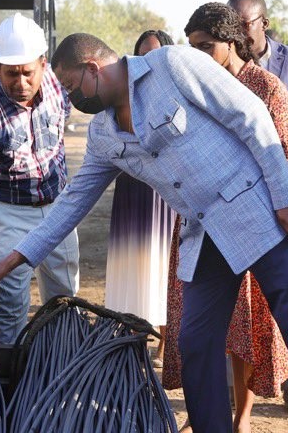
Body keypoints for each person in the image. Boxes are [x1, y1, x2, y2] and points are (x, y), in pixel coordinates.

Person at [0, 32, 288, 433]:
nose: (70, 98)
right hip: (204, 236)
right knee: (196, 346)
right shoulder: (103, 133)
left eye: (70, 85)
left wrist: (285, 194)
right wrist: (11, 260)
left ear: (93, 68)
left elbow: (250, 115)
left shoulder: (173, 66)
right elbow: (71, 204)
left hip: (260, 214)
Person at [160, 2, 288, 433]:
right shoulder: (191, 86)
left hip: (252, 224)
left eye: (206, 46)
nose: (197, 55)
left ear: (234, 43)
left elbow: (282, 157)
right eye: (192, 47)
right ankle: (207, 416)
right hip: (200, 222)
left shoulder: (268, 88)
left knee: (245, 326)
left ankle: (242, 417)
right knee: (200, 332)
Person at [0, 13, 79, 345]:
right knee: (9, 306)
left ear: (42, 64)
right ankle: (9, 378)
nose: (21, 83)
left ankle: (58, 361)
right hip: (9, 213)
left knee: (64, 297)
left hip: (58, 207)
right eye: (11, 74)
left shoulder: (57, 83)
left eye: (28, 73)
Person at [103, 29, 176, 366]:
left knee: (165, 264)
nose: (148, 60)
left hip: (165, 193)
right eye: (142, 53)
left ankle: (165, 343)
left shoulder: (176, 90)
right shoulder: (123, 95)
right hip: (132, 190)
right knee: (132, 263)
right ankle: (133, 335)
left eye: (155, 53)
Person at [228, 0, 288, 115]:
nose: (236, 32)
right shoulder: (220, 66)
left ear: (264, 24)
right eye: (230, 26)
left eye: (244, 25)